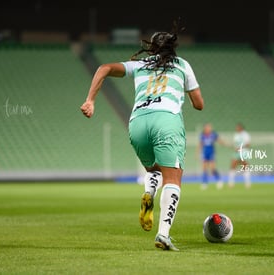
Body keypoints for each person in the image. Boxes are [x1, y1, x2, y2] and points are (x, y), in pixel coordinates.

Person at [80, 20, 204, 251]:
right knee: (173, 178)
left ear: (152, 48)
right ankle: (163, 234)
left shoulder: (139, 65)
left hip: (137, 121)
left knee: (153, 169)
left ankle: (149, 191)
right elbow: (199, 104)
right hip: (166, 119)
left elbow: (104, 68)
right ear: (172, 48)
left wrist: (90, 100)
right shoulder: (182, 65)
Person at [198, 123, 225, 190]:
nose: (209, 129)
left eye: (210, 127)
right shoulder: (202, 135)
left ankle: (219, 180)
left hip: (211, 153)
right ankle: (205, 183)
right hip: (205, 153)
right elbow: (200, 144)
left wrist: (224, 143)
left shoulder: (213, 134)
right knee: (204, 169)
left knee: (212, 169)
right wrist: (197, 153)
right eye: (207, 127)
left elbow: (219, 140)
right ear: (205, 128)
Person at [227, 123, 251, 188]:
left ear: (241, 128)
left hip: (244, 152)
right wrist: (233, 146)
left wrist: (240, 147)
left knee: (245, 166)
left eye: (237, 127)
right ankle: (231, 182)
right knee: (233, 165)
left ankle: (247, 183)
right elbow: (235, 143)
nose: (236, 128)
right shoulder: (236, 135)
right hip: (236, 152)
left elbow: (248, 144)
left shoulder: (245, 134)